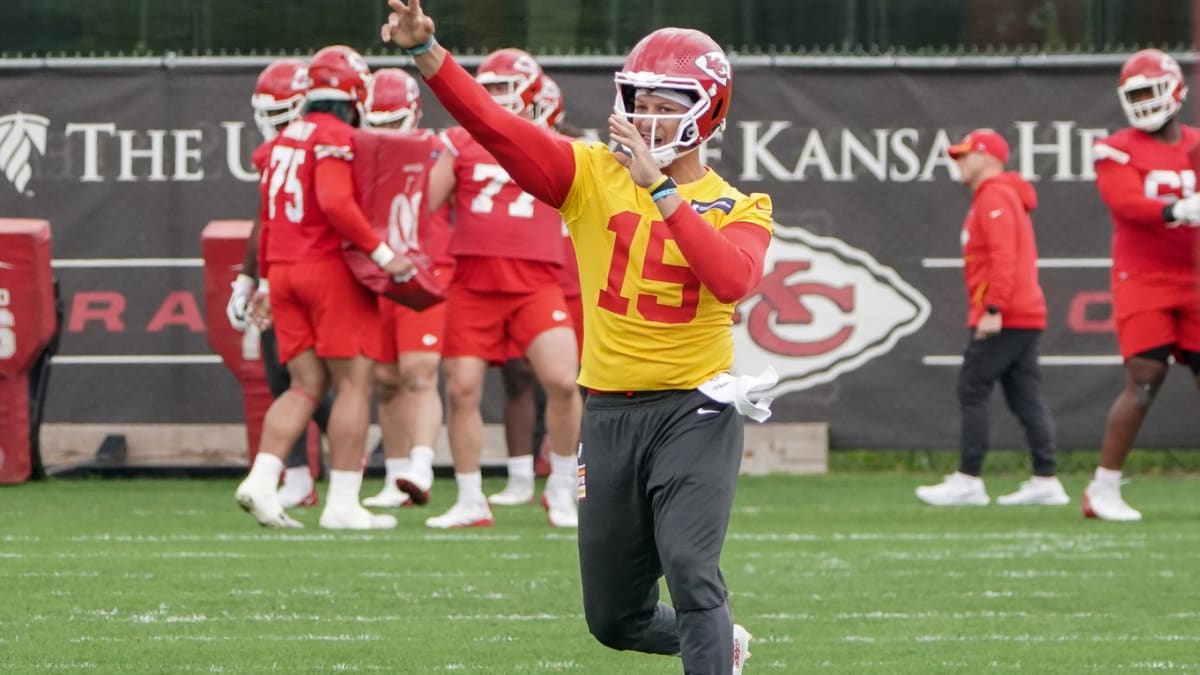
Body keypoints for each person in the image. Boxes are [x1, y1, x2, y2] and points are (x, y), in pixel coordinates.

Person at [383, 4, 773, 672]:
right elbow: (496, 129)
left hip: (696, 409)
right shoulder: (591, 176)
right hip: (612, 413)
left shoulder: (740, 205)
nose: (646, 118)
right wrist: (429, 55)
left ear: (705, 111)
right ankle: (717, 642)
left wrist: (664, 194)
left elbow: (732, 278)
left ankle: (711, 649)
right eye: (638, 102)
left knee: (690, 566)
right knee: (613, 616)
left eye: (664, 103)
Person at [234, 45, 414, 530]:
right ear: (355, 90)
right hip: (328, 271)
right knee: (354, 384)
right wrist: (382, 254)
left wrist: (263, 282)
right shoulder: (336, 136)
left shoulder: (282, 141)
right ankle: (342, 503)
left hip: (286, 271)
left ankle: (260, 479)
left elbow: (268, 220)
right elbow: (335, 203)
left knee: (304, 385)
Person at [420, 47, 584, 530]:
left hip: (537, 282)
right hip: (473, 283)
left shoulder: (556, 143)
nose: (494, 99)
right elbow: (425, 203)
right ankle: (470, 496)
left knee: (562, 381)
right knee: (463, 389)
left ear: (532, 93)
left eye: (503, 88)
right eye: (487, 89)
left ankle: (559, 488)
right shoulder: (459, 140)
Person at [915, 129, 1068, 507]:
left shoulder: (995, 195)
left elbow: (1004, 257)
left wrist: (994, 308)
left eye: (966, 155)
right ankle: (1046, 479)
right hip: (1022, 313)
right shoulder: (998, 195)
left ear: (987, 157)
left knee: (973, 388)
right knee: (1026, 397)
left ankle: (969, 479)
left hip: (1007, 314)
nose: (960, 163)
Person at [1084, 49, 1200, 521]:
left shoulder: (1195, 144)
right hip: (1144, 277)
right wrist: (1173, 210)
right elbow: (1125, 202)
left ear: (1175, 90)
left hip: (1195, 276)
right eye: (1137, 95)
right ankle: (1103, 487)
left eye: (1152, 91)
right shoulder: (1116, 147)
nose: (1146, 102)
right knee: (1146, 376)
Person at [227, 56, 329, 509]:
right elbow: (265, 220)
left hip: (332, 275)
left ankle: (363, 477)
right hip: (285, 276)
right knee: (283, 375)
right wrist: (248, 279)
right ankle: (299, 475)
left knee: (344, 384)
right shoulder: (278, 154)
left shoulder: (336, 142)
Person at [489, 75, 582, 507]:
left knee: (580, 383)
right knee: (517, 376)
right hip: (530, 279)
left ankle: (574, 477)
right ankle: (521, 475)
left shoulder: (580, 151)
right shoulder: (509, 151)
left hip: (577, 281)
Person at [356, 67, 447, 509]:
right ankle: (395, 478)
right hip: (377, 271)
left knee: (419, 371)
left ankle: (422, 466)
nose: (385, 132)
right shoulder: (357, 153)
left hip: (423, 268)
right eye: (378, 123)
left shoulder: (436, 150)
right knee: (385, 379)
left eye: (393, 122)